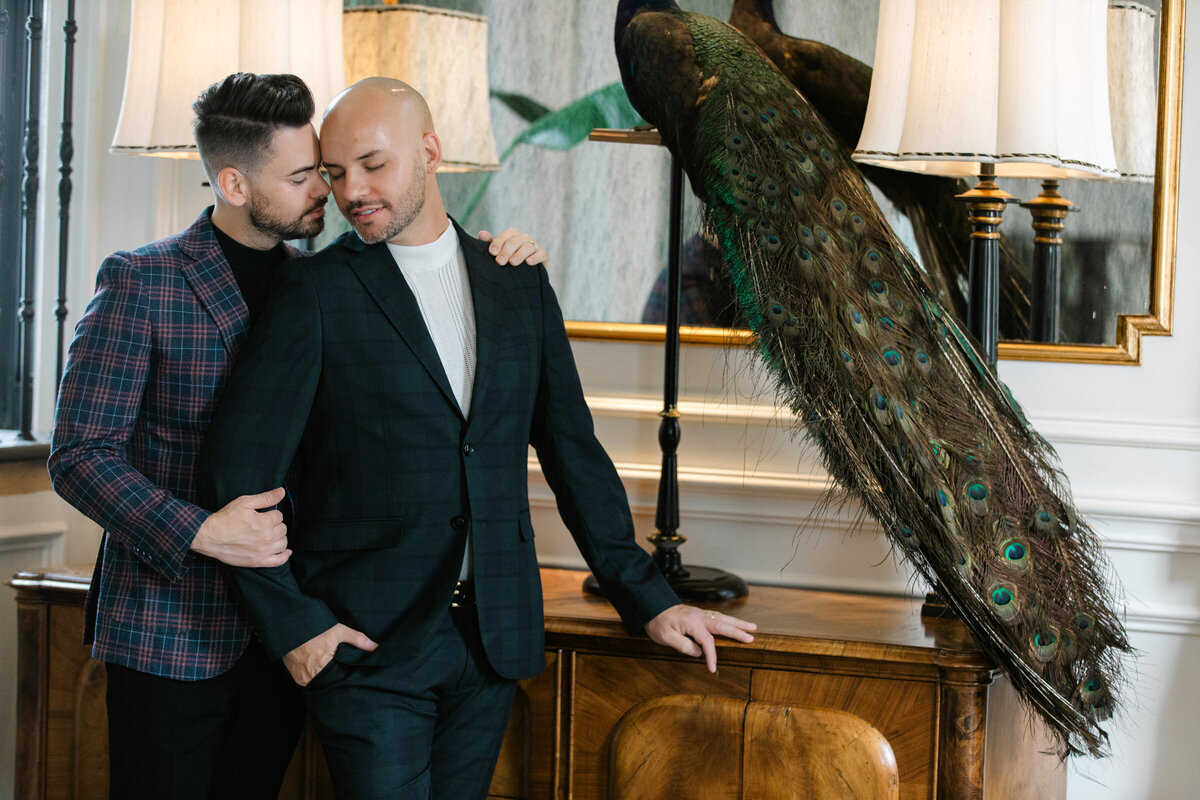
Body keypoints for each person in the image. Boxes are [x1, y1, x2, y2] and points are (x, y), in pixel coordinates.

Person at [197, 77, 757, 800]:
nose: (351, 190)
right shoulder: (315, 294)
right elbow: (239, 476)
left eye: (374, 163)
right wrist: (298, 629)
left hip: (493, 643)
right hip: (364, 651)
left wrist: (650, 600)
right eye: (335, 174)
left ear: (431, 151)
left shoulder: (516, 281)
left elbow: (572, 452)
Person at [47, 72, 547, 800]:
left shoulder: (320, 281)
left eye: (329, 170)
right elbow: (79, 456)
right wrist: (201, 531)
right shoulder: (141, 281)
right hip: (172, 632)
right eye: (306, 175)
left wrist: (497, 251)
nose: (330, 191)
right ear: (236, 184)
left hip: (290, 638)